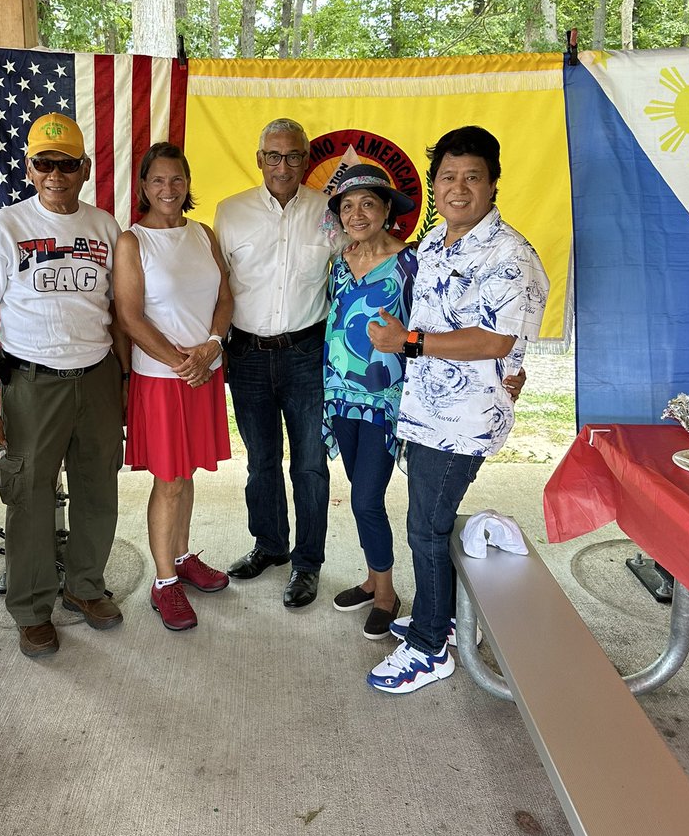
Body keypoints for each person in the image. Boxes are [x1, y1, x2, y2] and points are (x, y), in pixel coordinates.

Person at [366, 126, 549, 696]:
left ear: (494, 184)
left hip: (463, 420)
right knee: (428, 521)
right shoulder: (438, 244)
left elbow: (495, 341)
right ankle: (441, 618)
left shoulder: (509, 254)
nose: (459, 188)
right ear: (435, 185)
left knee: (425, 526)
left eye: (473, 177)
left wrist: (409, 343)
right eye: (448, 177)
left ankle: (429, 648)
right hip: (426, 411)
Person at [0, 113, 128, 658]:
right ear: (30, 168)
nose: (55, 174)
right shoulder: (4, 227)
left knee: (98, 487)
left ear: (84, 168)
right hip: (32, 383)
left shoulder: (105, 227)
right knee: (29, 496)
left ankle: (84, 587)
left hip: (98, 376)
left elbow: (119, 312)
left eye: (66, 163)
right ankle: (31, 608)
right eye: (44, 163)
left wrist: (123, 386)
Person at [114, 142, 232, 632]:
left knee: (187, 475)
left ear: (188, 183)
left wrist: (210, 346)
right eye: (158, 180)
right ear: (143, 186)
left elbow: (225, 296)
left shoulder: (203, 234)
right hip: (163, 379)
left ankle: (182, 557)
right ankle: (164, 582)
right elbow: (129, 316)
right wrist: (183, 363)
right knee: (168, 481)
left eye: (177, 179)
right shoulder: (132, 241)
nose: (168, 188)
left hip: (203, 370)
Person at [214, 119, 331, 609]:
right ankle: (270, 544)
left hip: (307, 352)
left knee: (309, 464)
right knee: (261, 461)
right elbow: (215, 287)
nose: (284, 166)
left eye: (294, 156)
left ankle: (307, 562)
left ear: (306, 159)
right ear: (258, 158)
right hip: (247, 355)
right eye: (274, 156)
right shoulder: (230, 213)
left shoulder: (330, 212)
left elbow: (356, 269)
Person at [321, 166, 417, 641]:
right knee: (362, 491)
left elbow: (426, 331)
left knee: (365, 499)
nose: (356, 214)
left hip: (383, 398)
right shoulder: (340, 260)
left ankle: (387, 595)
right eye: (347, 205)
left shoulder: (409, 264)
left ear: (386, 211)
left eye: (367, 204)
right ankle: (372, 579)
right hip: (340, 394)